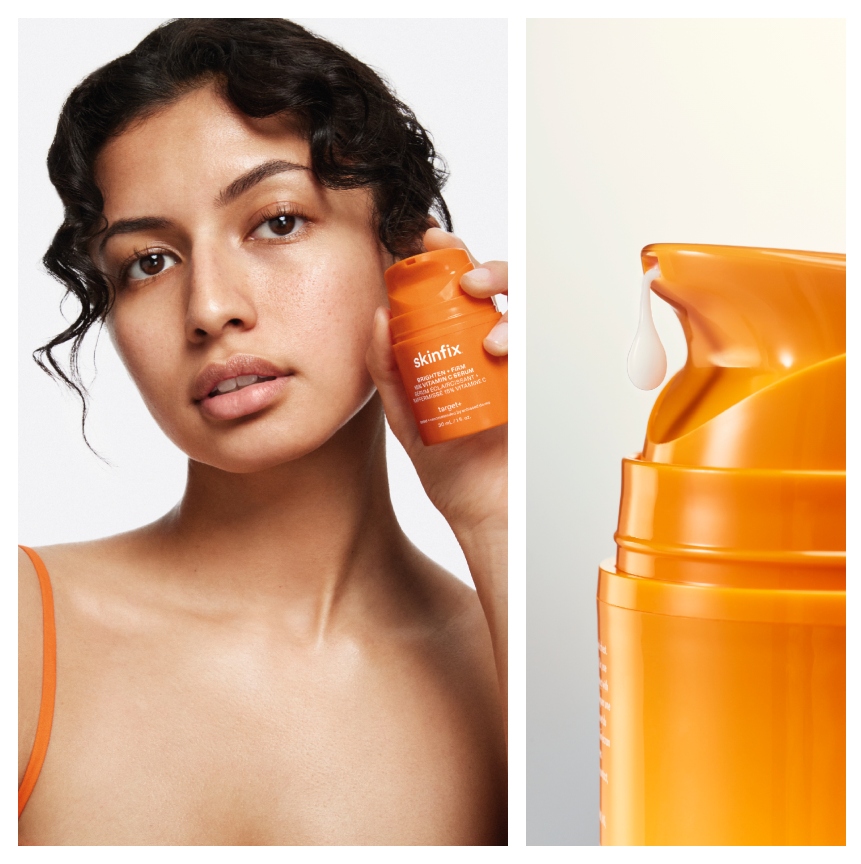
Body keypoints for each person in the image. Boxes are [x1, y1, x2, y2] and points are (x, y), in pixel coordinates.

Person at [18, 19, 508, 846]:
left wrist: (492, 505)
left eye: (276, 222)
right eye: (148, 261)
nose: (210, 308)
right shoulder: (23, 634)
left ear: (403, 247)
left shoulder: (510, 666)